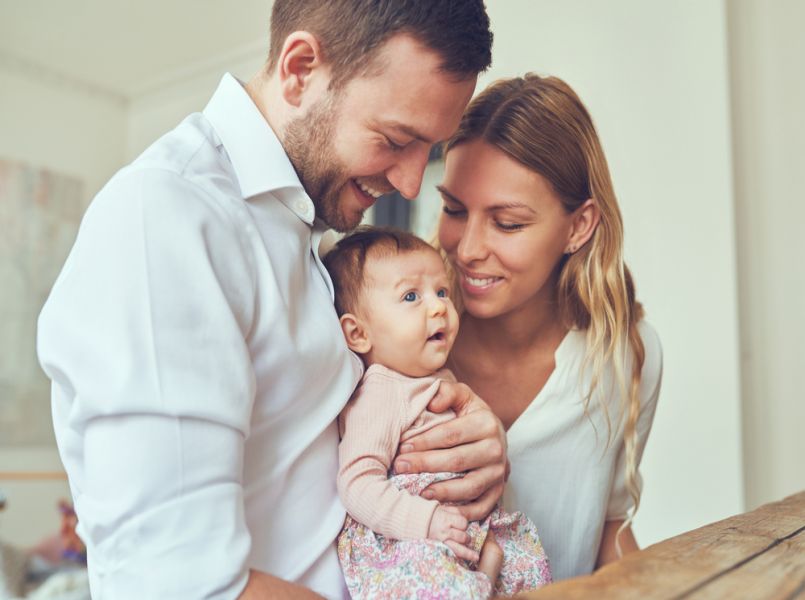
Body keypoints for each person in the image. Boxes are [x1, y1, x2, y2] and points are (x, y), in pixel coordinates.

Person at [36, 3, 506, 598]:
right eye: (395, 140)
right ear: (300, 69)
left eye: (428, 149)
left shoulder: (305, 230)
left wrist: (464, 439)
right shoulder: (167, 219)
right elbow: (181, 585)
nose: (412, 184)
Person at [394, 74, 663, 581]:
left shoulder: (627, 354)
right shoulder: (399, 343)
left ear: (579, 226)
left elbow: (608, 529)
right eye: (454, 209)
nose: (467, 248)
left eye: (508, 223)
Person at [323, 227, 551, 599]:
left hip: (458, 529)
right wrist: (425, 521)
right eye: (411, 296)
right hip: (408, 541)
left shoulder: (434, 378)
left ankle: (487, 579)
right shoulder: (381, 391)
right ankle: (484, 579)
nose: (438, 307)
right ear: (358, 333)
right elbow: (357, 484)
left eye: (441, 291)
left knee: (527, 566)